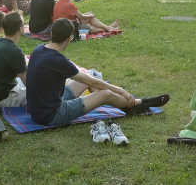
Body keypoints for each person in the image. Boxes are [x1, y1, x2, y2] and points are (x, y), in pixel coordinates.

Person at [25, 19, 168, 128]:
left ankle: (128, 106)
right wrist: (120, 90)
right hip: (51, 115)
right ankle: (140, 102)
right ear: (69, 38)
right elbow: (92, 83)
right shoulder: (57, 60)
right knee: (105, 93)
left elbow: (88, 80)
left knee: (88, 79)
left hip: (40, 108)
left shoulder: (40, 49)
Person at [0, 11, 30, 108]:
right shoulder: (14, 51)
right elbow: (28, 83)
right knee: (42, 93)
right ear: (20, 29)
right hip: (2, 99)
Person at [52, 0, 119, 34]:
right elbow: (81, 17)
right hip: (69, 27)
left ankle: (108, 27)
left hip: (62, 25)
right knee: (92, 28)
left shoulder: (59, 2)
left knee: (89, 16)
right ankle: (109, 28)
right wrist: (90, 15)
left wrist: (88, 15)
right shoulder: (69, 5)